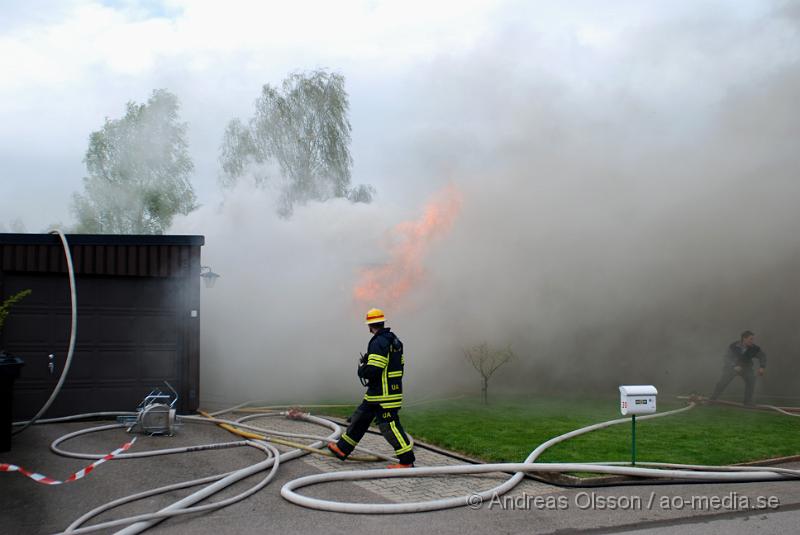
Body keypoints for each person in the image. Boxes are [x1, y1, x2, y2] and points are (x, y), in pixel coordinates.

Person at [327, 308, 416, 468]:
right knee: (360, 419)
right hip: (379, 393)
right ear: (382, 322)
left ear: (370, 325)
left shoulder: (378, 342)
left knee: (389, 426)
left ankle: (407, 460)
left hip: (383, 395)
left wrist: (362, 369)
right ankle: (342, 448)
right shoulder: (394, 340)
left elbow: (374, 369)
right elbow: (396, 364)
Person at [710, 330, 766, 407]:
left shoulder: (754, 348)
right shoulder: (733, 346)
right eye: (751, 339)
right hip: (732, 367)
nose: (752, 341)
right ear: (744, 338)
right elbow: (726, 358)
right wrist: (734, 366)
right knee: (723, 382)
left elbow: (762, 356)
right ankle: (712, 399)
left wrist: (762, 367)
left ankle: (747, 402)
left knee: (751, 380)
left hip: (746, 367)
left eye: (753, 339)